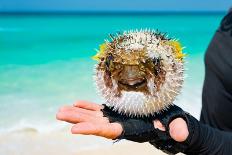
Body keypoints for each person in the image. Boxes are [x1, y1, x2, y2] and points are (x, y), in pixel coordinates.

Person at [56, 8, 232, 155]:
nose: (130, 75)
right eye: (112, 64)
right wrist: (196, 139)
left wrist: (199, 137)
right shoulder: (225, 30)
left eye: (154, 63)